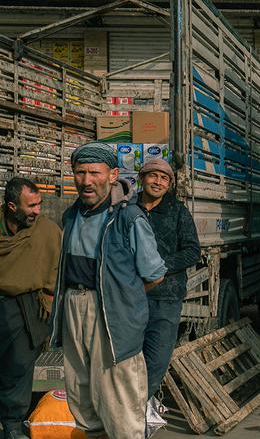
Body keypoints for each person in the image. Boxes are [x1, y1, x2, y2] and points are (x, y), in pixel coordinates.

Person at [48, 142, 167, 439]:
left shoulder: (129, 217)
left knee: (119, 400)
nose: (86, 181)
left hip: (112, 315)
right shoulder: (72, 215)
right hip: (75, 308)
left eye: (94, 173)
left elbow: (154, 275)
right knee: (81, 392)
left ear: (113, 174)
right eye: (80, 172)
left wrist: (124, 298)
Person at [0, 178, 62, 439]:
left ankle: (13, 424)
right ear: (12, 206)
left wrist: (49, 301)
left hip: (27, 307)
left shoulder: (46, 230)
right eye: (32, 205)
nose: (38, 211)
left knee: (19, 367)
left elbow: (58, 270)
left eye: (40, 204)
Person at [137, 159, 201, 398]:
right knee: (128, 359)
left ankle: (142, 406)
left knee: (157, 359)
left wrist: (159, 267)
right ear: (142, 179)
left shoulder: (177, 211)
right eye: (153, 176)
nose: (158, 182)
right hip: (131, 296)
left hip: (166, 296)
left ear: (170, 184)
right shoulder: (129, 209)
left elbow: (193, 251)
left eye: (164, 178)